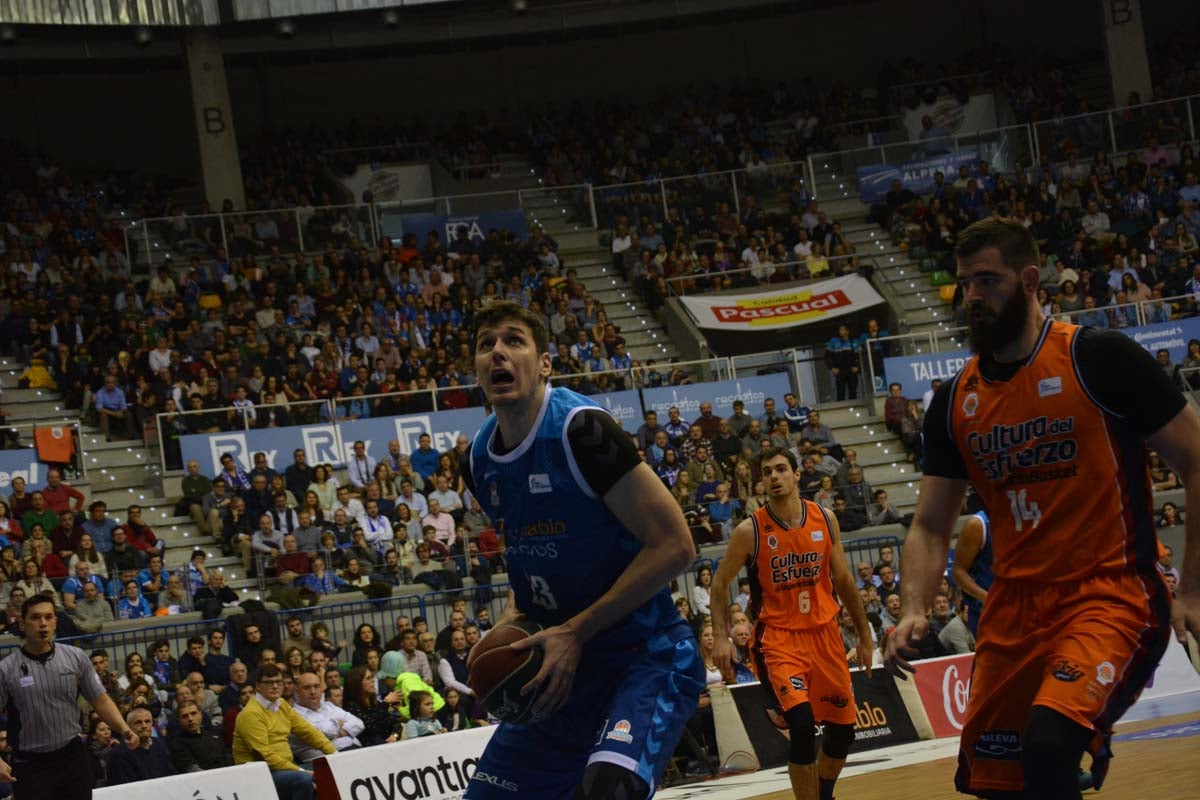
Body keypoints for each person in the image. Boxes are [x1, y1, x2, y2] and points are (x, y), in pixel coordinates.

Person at [884, 218, 1200, 800]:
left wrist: (1195, 589)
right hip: (1014, 610)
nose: (972, 296)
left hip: (1111, 592)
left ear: (1029, 280)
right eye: (964, 284)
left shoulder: (1098, 358)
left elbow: (1197, 459)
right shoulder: (954, 399)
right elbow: (930, 525)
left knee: (1050, 744)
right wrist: (912, 608)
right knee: (1001, 784)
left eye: (988, 280)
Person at [461, 302, 703, 799]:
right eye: (487, 344)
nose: (498, 353)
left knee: (607, 787)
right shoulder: (477, 460)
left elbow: (677, 546)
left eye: (513, 341)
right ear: (477, 369)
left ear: (544, 363)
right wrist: (510, 624)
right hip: (560, 668)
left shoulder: (582, 431)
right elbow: (528, 556)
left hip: (646, 653)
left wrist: (575, 629)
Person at [711, 448, 874, 800]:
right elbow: (719, 583)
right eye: (767, 471)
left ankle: (824, 793)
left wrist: (863, 635)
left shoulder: (824, 518)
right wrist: (722, 638)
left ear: (797, 475)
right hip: (778, 639)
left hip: (825, 634)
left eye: (781, 469)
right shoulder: (749, 530)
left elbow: (844, 579)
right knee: (802, 726)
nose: (773, 476)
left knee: (843, 732)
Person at [0, 593, 139, 798]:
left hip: (72, 756)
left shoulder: (75, 657)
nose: (43, 623)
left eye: (48, 617)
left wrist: (124, 728)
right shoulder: (6, 669)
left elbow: (100, 699)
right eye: (35, 617)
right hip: (30, 763)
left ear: (55, 622)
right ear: (22, 623)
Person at [233, 664, 335, 800]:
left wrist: (334, 754)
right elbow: (265, 756)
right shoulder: (251, 714)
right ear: (257, 686)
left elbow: (307, 730)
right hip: (259, 774)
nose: (275, 686)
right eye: (269, 682)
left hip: (284, 768)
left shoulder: (280, 704)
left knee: (327, 769)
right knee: (303, 779)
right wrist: (301, 771)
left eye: (279, 682)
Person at [105, 707, 177, 784]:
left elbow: (172, 773)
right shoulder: (119, 754)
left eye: (147, 721)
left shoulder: (158, 744)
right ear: (128, 727)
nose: (144, 726)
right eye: (138, 722)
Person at [950, 510, 993, 637]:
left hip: (1021, 606)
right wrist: (987, 598)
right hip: (988, 611)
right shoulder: (978, 524)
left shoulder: (1026, 518)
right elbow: (958, 572)